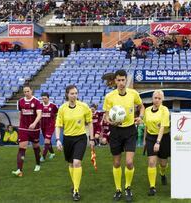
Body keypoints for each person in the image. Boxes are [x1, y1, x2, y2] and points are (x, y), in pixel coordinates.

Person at [103, 69, 145, 202]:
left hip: (130, 131)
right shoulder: (109, 96)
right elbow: (106, 115)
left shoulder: (133, 94)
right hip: (116, 131)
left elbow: (141, 107)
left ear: (126, 80)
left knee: (129, 162)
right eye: (118, 80)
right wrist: (109, 120)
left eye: (123, 80)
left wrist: (141, 117)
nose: (121, 83)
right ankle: (118, 189)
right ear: (115, 81)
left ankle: (127, 187)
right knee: (116, 163)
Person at [55, 85, 95, 201]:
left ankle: (76, 190)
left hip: (80, 138)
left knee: (77, 162)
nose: (74, 95)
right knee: (71, 163)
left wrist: (91, 139)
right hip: (67, 139)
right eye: (72, 93)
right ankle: (74, 184)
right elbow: (58, 125)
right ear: (67, 94)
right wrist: (58, 140)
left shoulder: (84, 106)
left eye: (76, 93)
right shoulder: (62, 108)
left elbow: (90, 123)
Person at [143, 90, 170, 196]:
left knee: (163, 163)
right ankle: (152, 187)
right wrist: (145, 139)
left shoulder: (165, 110)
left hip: (163, 138)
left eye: (159, 98)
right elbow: (146, 125)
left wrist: (158, 142)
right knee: (151, 162)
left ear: (162, 100)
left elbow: (163, 127)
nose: (157, 100)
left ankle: (162, 174)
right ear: (152, 99)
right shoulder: (147, 110)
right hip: (150, 137)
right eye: (155, 98)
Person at [12, 85, 43, 177]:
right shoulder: (20, 101)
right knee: (22, 147)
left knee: (35, 146)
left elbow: (39, 114)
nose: (26, 93)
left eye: (28, 91)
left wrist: (34, 123)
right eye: (24, 92)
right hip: (23, 128)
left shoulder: (36, 101)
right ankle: (19, 170)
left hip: (34, 128)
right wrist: (19, 123)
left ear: (31, 91)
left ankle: (38, 164)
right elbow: (20, 113)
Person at [40, 92, 58, 162]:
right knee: (48, 141)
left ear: (48, 98)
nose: (44, 100)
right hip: (43, 125)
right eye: (43, 98)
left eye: (45, 98)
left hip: (50, 126)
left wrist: (55, 121)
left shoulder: (53, 106)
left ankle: (43, 157)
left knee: (47, 140)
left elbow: (57, 113)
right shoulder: (40, 105)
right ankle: (52, 153)